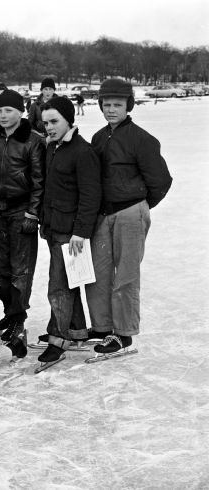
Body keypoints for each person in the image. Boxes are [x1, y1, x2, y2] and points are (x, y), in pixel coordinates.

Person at [85, 79, 172, 355]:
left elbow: (160, 180)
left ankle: (123, 334)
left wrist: (140, 206)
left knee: (125, 274)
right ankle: (102, 326)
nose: (111, 110)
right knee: (98, 273)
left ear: (128, 106)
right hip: (103, 214)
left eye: (117, 105)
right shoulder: (99, 137)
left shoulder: (142, 140)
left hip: (130, 213)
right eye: (106, 105)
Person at [0, 90, 45, 357]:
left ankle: (18, 316)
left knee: (20, 269)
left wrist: (32, 214)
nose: (3, 115)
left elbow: (39, 181)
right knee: (2, 268)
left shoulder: (32, 141)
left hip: (21, 212)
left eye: (9, 111)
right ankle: (8, 313)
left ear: (21, 112)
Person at [38, 96, 101, 365]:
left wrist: (80, 232)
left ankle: (58, 338)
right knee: (68, 281)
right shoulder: (53, 148)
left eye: (54, 121)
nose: (49, 127)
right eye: (45, 123)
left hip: (70, 231)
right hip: (54, 226)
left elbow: (90, 196)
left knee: (59, 285)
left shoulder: (82, 151)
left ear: (68, 120)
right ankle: (75, 330)